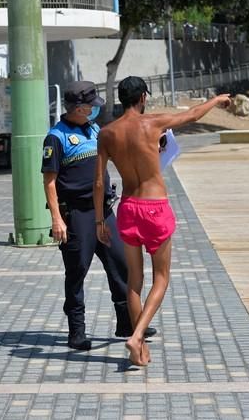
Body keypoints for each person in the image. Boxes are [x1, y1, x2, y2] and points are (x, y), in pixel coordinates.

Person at [93, 76, 230, 366]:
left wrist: (99, 221)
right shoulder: (153, 123)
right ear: (142, 97)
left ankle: (140, 350)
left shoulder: (106, 133)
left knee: (134, 280)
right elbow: (192, 115)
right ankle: (137, 335)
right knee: (161, 278)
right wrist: (217, 100)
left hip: (128, 208)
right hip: (155, 207)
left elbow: (97, 183)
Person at [42, 80, 155, 351]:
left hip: (103, 210)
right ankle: (76, 331)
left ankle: (126, 323)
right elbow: (49, 182)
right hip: (77, 214)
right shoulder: (56, 137)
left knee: (120, 264)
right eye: (90, 106)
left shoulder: (94, 130)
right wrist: (57, 219)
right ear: (79, 108)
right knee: (77, 271)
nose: (94, 110)